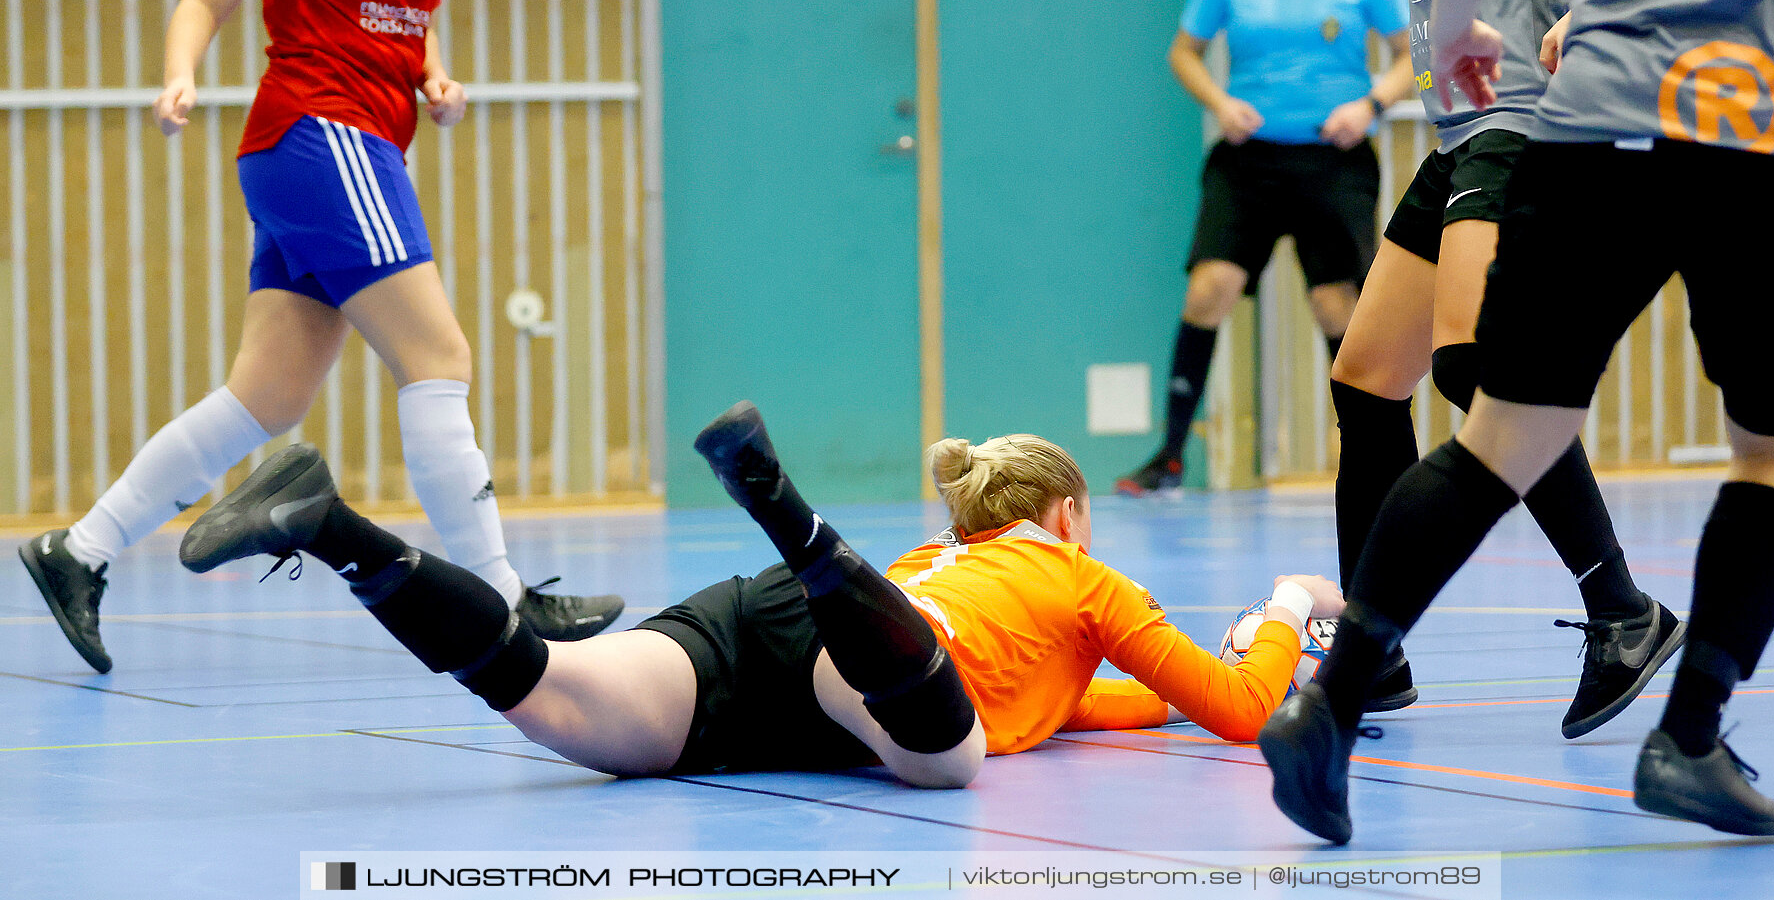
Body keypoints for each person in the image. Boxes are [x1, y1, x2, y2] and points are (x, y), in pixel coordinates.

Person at [1260, 0, 1774, 842]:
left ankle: (1335, 704)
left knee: (1492, 424)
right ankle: (1691, 732)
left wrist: (1451, 49)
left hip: (1579, 127)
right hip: (1739, 127)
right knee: (1773, 454)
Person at [18, 0, 622, 675]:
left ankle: (78, 549)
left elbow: (409, 17)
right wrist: (180, 74)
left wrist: (436, 77)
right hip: (316, 133)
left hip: (361, 139)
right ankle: (505, 600)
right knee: (440, 353)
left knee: (267, 394)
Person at [175, 402, 1346, 784]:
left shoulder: (950, 563)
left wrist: (1222, 658)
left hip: (770, 622)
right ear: (1070, 513)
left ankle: (336, 531)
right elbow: (1238, 710)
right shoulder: (1081, 575)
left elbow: (1102, 708)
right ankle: (785, 506)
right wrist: (1285, 607)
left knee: (557, 697)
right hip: (867, 667)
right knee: (953, 755)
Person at [1332, 0, 1683, 732]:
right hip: (1455, 131)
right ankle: (1372, 652)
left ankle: (1620, 605)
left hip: (1524, 122)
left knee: (1476, 364)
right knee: (1364, 377)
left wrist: (1597, 6)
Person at [1118, 0, 1415, 497]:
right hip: (1248, 161)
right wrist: (1219, 102)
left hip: (1334, 160)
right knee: (1208, 289)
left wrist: (1369, 105)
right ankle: (1169, 455)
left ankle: (1368, 455)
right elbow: (1183, 52)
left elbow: (1410, 57)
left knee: (1339, 306)